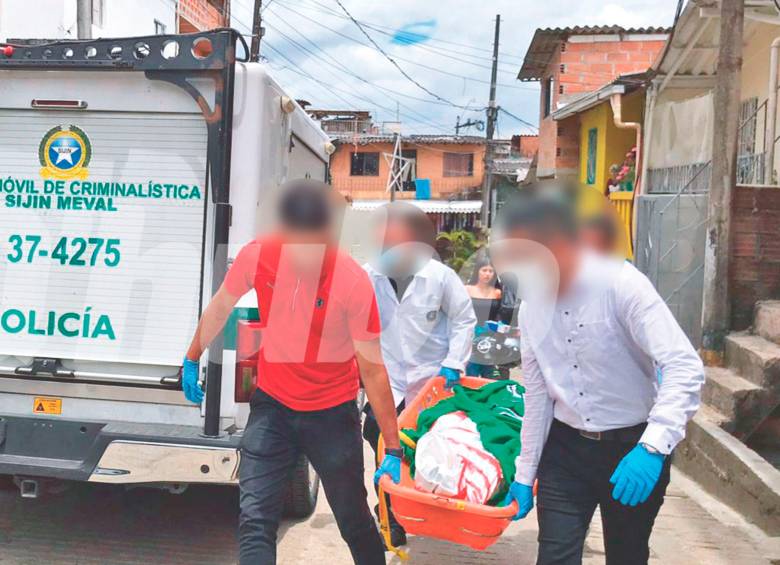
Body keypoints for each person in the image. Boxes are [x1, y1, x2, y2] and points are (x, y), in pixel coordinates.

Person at [181, 180, 402, 565]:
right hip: (274, 408)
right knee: (255, 520)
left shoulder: (351, 280)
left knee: (353, 519)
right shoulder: (259, 256)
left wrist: (393, 445)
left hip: (332, 415)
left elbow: (374, 370)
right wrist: (191, 355)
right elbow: (221, 306)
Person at [493, 188, 704, 565]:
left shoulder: (623, 284)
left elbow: (683, 366)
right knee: (555, 556)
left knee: (626, 554)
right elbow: (538, 395)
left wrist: (653, 446)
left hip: (631, 447)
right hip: (566, 451)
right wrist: (525, 472)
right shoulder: (530, 309)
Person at [362, 201, 476, 546]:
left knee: (430, 451)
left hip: (433, 383)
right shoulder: (368, 275)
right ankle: (390, 519)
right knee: (380, 445)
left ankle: (428, 510)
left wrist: (455, 362)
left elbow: (464, 319)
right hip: (388, 382)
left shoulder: (440, 276)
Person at [464, 254, 504, 379]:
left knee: (490, 376)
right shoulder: (466, 289)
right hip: (469, 336)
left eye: (491, 271)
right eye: (484, 270)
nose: (487, 274)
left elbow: (501, 315)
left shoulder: (498, 293)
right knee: (470, 375)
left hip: (490, 337)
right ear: (477, 271)